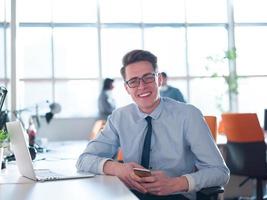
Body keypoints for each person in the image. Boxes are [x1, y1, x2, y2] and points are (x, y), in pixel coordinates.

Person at [76, 50, 229, 200]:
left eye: (148, 77)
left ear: (159, 80)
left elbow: (220, 172)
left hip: (176, 195)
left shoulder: (189, 115)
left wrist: (175, 183)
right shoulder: (119, 117)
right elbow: (84, 160)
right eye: (133, 81)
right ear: (127, 88)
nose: (141, 86)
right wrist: (119, 168)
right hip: (130, 194)